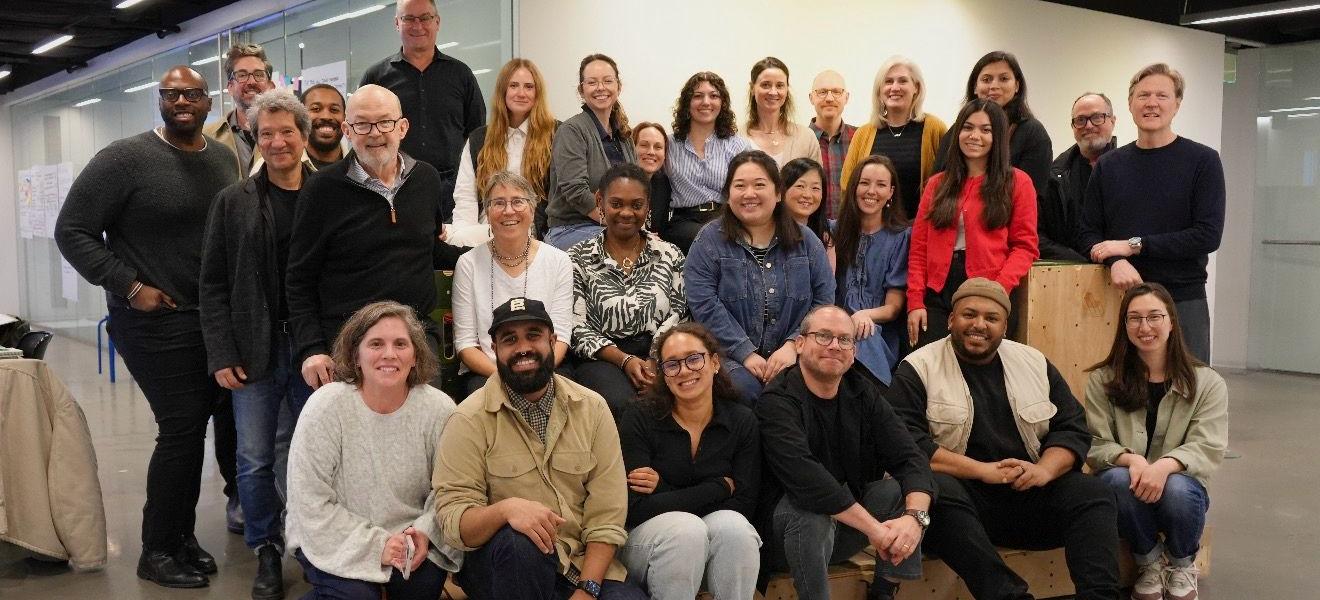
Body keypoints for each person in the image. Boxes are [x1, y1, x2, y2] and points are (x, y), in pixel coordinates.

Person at [55, 66, 238, 589]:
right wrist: (130, 286)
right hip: (152, 322)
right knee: (181, 429)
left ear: (208, 102)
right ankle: (155, 550)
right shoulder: (124, 159)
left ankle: (179, 537)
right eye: (171, 94)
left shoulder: (223, 158)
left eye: (192, 94)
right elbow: (73, 230)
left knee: (195, 431)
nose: (182, 101)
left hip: (208, 319)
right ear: (159, 101)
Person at [887, 278, 1120, 600]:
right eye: (969, 315)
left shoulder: (1034, 362)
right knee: (936, 489)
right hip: (963, 508)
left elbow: (1073, 427)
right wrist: (982, 471)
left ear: (1005, 326)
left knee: (1093, 492)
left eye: (991, 318)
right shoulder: (918, 367)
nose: (979, 325)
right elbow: (906, 443)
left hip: (1028, 491)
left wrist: (1044, 471)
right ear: (952, 319)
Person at [433, 297, 648, 600]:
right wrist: (505, 510)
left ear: (553, 340)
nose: (523, 347)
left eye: (533, 335)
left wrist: (587, 591)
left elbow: (607, 517)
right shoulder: (468, 418)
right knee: (518, 544)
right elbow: (454, 522)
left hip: (579, 567)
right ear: (495, 349)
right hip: (506, 568)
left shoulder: (593, 408)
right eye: (510, 339)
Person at [199, 89, 316, 600]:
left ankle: (310, 546)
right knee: (254, 458)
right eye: (266, 133)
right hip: (254, 348)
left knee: (312, 455)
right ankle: (266, 549)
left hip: (317, 349)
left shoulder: (328, 192)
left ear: (304, 135)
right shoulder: (233, 202)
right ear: (253, 138)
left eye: (286, 131)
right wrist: (222, 352)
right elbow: (214, 283)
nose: (277, 141)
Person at [286, 84, 457, 392]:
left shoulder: (426, 179)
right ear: (347, 130)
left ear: (402, 127)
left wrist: (496, 252)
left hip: (414, 334)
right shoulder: (321, 190)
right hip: (347, 340)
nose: (375, 132)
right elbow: (299, 278)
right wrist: (311, 349)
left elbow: (428, 247)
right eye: (362, 124)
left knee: (429, 430)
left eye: (385, 122)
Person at [286, 301, 461, 600]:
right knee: (357, 595)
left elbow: (449, 490)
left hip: (411, 536)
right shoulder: (326, 406)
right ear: (355, 356)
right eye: (376, 344)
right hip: (333, 533)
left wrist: (424, 531)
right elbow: (309, 500)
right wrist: (377, 546)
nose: (389, 354)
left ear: (416, 356)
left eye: (401, 344)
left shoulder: (439, 408)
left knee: (421, 587)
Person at [758, 305, 934, 600]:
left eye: (844, 339)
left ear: (854, 351)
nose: (834, 346)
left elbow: (910, 457)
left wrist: (914, 519)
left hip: (844, 527)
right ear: (800, 344)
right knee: (811, 516)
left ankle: (883, 590)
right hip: (786, 537)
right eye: (823, 336)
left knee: (900, 492)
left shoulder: (861, 391)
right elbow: (810, 483)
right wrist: (876, 532)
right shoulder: (777, 400)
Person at [1085, 283, 1227, 600]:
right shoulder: (1102, 379)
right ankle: (1149, 562)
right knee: (1117, 481)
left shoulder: (1207, 382)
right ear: (1124, 326)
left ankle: (1181, 564)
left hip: (1182, 488)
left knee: (1177, 488)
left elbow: (1209, 446)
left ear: (1172, 322)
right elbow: (1095, 443)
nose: (1144, 327)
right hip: (1128, 485)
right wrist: (1133, 460)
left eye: (1154, 316)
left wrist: (1164, 466)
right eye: (1134, 318)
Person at [1078, 63, 1225, 363]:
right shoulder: (1109, 166)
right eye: (1143, 95)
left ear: (1177, 104)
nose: (1152, 103)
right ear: (1130, 105)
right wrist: (1116, 260)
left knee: (1190, 391)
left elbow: (1207, 236)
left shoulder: (1203, 161)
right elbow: (1087, 232)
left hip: (1183, 299)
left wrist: (1134, 245)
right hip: (1122, 299)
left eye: (1162, 95)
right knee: (1126, 392)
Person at [617, 322, 761, 600]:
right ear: (663, 374)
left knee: (737, 529)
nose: (684, 371)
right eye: (672, 365)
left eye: (694, 359)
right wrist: (718, 488)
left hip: (705, 538)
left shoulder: (742, 420)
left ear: (715, 362)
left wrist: (663, 489)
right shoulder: (638, 416)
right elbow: (635, 509)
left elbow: (744, 504)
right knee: (687, 530)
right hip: (644, 541)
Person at [684, 150, 835, 404]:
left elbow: (824, 299)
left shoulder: (806, 241)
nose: (749, 193)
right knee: (747, 392)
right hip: (727, 356)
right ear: (728, 194)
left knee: (803, 389)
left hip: (795, 351)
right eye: (739, 186)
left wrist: (793, 346)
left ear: (778, 193)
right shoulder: (709, 240)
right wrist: (745, 353)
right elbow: (703, 304)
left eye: (759, 185)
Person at [906, 99, 1038, 349]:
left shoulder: (1018, 183)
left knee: (982, 371)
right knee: (932, 370)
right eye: (967, 128)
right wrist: (915, 301)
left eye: (985, 130)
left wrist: (997, 290)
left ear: (997, 136)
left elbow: (1025, 247)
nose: (974, 136)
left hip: (990, 291)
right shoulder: (937, 184)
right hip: (937, 293)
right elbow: (918, 249)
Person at [569, 164, 687, 416]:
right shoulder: (577, 258)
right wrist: (624, 360)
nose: (626, 213)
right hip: (602, 358)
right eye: (616, 204)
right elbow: (575, 326)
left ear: (648, 206)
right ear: (600, 201)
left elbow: (679, 314)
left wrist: (655, 361)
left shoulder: (670, 254)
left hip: (663, 354)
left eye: (636, 205)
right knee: (624, 404)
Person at [360, 0, 485, 223]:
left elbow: (477, 134)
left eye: (425, 17)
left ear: (437, 22)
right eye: (409, 18)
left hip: (452, 189)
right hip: (395, 188)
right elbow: (361, 132)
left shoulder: (461, 75)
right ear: (397, 23)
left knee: (451, 253)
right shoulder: (376, 77)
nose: (418, 25)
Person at [453, 172, 574, 397]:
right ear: (487, 213)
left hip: (545, 368)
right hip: (488, 372)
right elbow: (465, 344)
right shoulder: (468, 264)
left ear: (532, 208)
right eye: (498, 203)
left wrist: (535, 375)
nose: (509, 211)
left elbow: (562, 337)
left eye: (518, 201)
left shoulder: (559, 261)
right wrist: (508, 378)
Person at [451, 58, 557, 246]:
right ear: (503, 91)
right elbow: (465, 195)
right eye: (514, 85)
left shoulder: (556, 135)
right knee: (456, 238)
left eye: (529, 87)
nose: (521, 93)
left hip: (534, 230)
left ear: (537, 92)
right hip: (488, 229)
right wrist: (464, 237)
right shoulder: (479, 138)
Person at [831, 155, 910, 387]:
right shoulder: (833, 231)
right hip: (835, 324)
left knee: (865, 334)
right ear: (854, 186)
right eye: (864, 183)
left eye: (881, 185)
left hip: (879, 333)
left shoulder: (900, 237)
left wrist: (864, 315)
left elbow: (893, 308)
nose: (871, 191)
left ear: (891, 192)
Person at [545, 53, 637, 250]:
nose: (601, 88)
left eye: (607, 81)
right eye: (592, 82)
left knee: (663, 252)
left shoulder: (624, 136)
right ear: (581, 90)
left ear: (618, 87)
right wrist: (620, 227)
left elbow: (636, 188)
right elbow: (576, 191)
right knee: (625, 248)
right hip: (570, 229)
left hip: (613, 228)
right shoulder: (571, 131)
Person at [935, 51, 1052, 205]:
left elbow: (1031, 199)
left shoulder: (1033, 133)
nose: (994, 86)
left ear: (1017, 86)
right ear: (975, 87)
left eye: (1003, 79)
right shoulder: (956, 131)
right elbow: (939, 183)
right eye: (986, 79)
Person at [843, 57, 948, 222]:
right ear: (879, 90)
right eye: (888, 82)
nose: (895, 87)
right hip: (873, 232)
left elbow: (947, 183)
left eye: (903, 81)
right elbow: (847, 187)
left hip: (919, 232)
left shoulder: (935, 129)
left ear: (916, 88)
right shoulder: (863, 134)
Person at [664, 71, 753, 253]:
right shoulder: (669, 145)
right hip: (683, 223)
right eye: (698, 96)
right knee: (710, 240)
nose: (706, 102)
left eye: (714, 96)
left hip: (726, 218)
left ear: (722, 103)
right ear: (687, 103)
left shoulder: (737, 146)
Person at [1039, 92, 1117, 262]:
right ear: (1073, 126)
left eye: (1097, 117)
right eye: (1080, 120)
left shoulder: (1129, 170)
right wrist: (1079, 262)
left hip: (1124, 273)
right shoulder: (1053, 177)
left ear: (1113, 121)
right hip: (1069, 275)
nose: (1088, 126)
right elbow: (1037, 235)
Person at [204, 43, 277, 176]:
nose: (251, 82)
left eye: (259, 75)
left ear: (271, 86)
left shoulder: (290, 134)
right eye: (242, 75)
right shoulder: (206, 137)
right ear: (230, 87)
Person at [743, 57, 821, 167]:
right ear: (752, 88)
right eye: (765, 85)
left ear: (786, 89)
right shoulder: (737, 138)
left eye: (779, 85)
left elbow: (816, 182)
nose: (773, 92)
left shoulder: (806, 138)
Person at [807, 69, 856, 220]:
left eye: (836, 92)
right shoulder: (800, 140)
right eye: (822, 92)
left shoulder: (860, 139)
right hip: (808, 234)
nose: (829, 98)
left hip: (853, 233)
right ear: (811, 98)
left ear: (846, 97)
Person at [632, 122, 674, 236]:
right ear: (632, 148)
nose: (651, 152)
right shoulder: (619, 183)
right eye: (644, 145)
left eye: (658, 147)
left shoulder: (665, 185)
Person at [780, 157, 830, 244]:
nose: (807, 195)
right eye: (800, 186)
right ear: (782, 189)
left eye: (815, 188)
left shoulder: (826, 236)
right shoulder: (769, 234)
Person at [301, 83, 347, 169]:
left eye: (334, 109)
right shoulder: (285, 168)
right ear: (300, 116)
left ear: (345, 118)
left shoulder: (361, 166)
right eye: (316, 109)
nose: (326, 116)